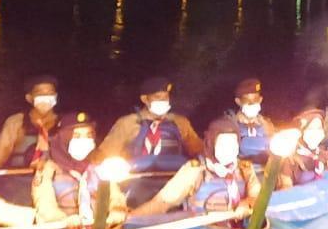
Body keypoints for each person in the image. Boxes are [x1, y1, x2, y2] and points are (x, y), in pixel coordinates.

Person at [132, 118, 262, 216]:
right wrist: (131, 218)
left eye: (233, 144)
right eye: (223, 145)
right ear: (211, 145)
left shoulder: (245, 168)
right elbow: (161, 203)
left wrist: (248, 203)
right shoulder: (194, 170)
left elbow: (258, 196)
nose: (229, 150)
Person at [34, 113, 128, 229]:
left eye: (88, 136)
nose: (84, 141)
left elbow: (115, 195)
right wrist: (64, 220)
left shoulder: (99, 165)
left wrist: (117, 210)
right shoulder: (48, 168)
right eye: (77, 136)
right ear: (64, 138)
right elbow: (45, 207)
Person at [94, 76, 203, 171]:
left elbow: (198, 150)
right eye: (157, 97)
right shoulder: (127, 123)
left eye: (166, 97)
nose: (163, 100)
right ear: (145, 99)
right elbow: (105, 154)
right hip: (133, 181)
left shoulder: (180, 122)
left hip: (173, 181)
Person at [0, 75, 61, 170]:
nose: (45, 97)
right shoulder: (16, 122)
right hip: (19, 179)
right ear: (29, 98)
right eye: (40, 93)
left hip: (54, 180)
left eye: (50, 93)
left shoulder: (64, 123)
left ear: (56, 97)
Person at [278, 110, 328, 188]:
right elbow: (285, 188)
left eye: (319, 128)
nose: (315, 132)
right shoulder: (290, 159)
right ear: (302, 131)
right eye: (311, 128)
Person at [226, 78, 276, 160]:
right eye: (247, 100)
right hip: (240, 168)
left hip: (266, 168)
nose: (251, 103)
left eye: (255, 99)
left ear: (260, 100)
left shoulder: (267, 124)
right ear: (238, 101)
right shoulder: (229, 124)